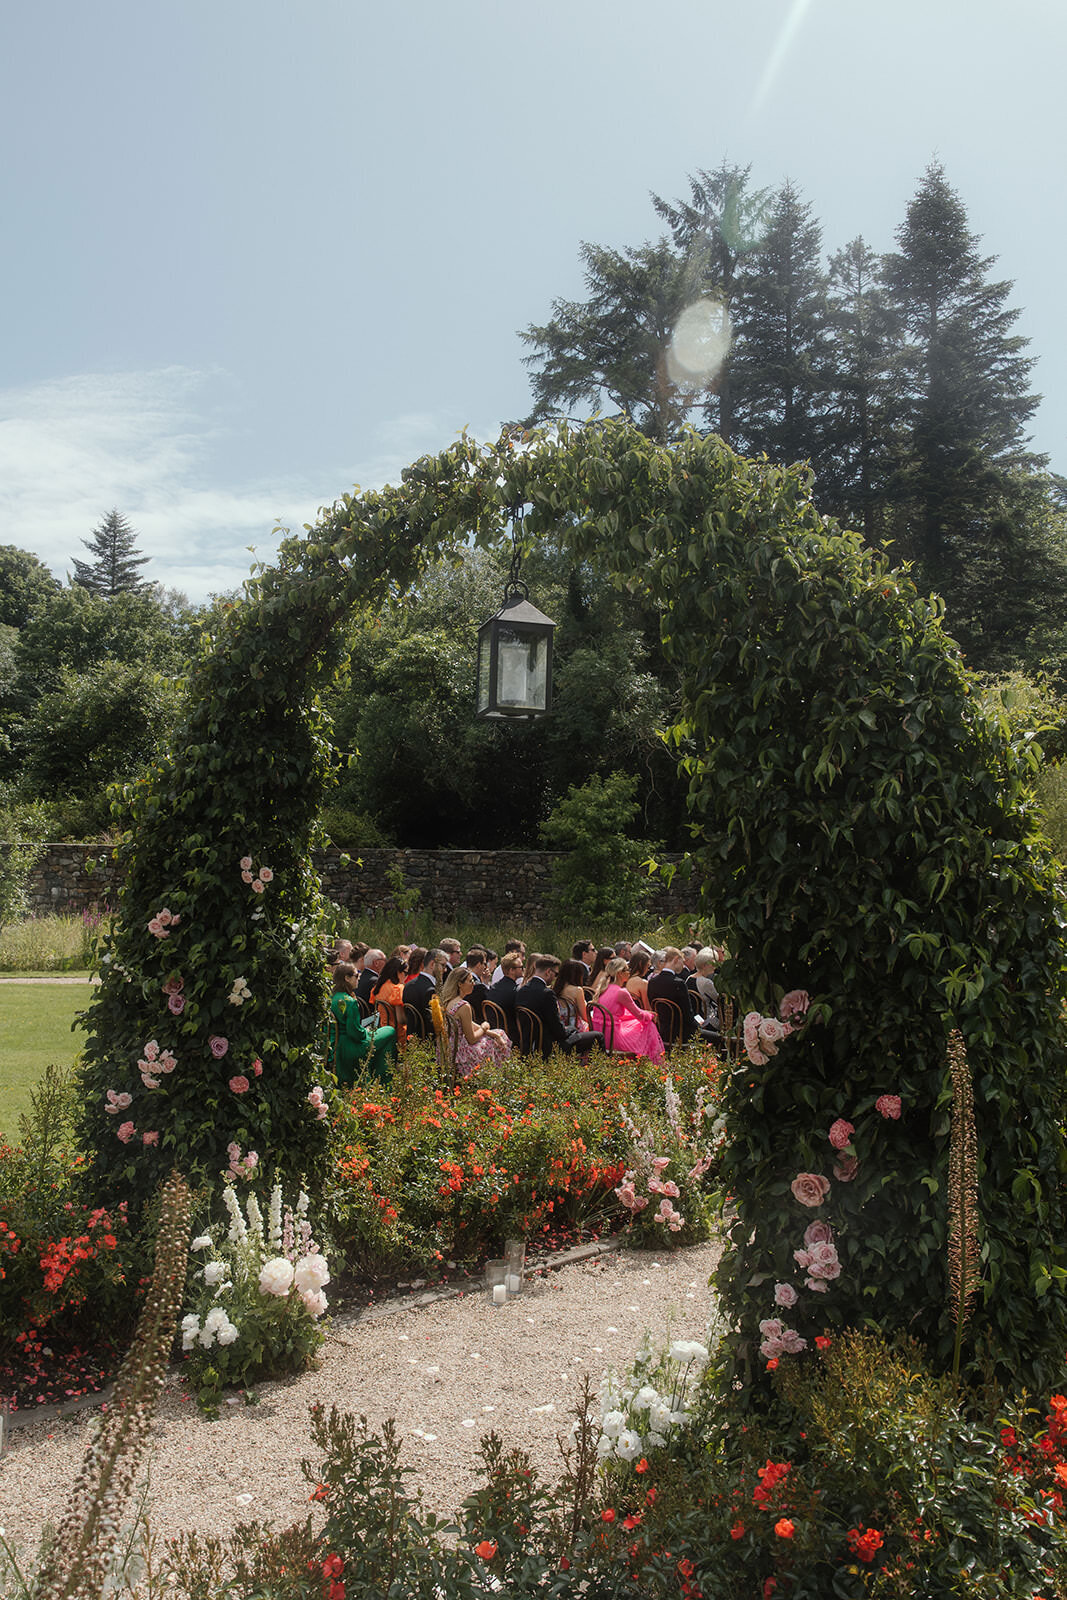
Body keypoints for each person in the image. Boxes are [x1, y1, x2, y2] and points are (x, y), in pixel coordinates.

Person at [516, 955, 604, 1058]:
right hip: (549, 1046)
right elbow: (558, 1031)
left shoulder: (521, 990)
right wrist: (571, 1029)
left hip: (528, 1044)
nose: (555, 978)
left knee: (573, 1030)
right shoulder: (546, 993)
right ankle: (598, 1068)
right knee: (598, 1036)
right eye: (555, 974)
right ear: (548, 972)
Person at [329, 963, 396, 1086]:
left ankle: (377, 1079)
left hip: (334, 1045)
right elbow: (355, 1034)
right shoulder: (349, 1001)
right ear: (347, 978)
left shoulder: (331, 997)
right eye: (356, 975)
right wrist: (367, 1031)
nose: (359, 978)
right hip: (350, 1046)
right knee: (390, 1031)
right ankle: (383, 1081)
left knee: (383, 1037)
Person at [441, 965, 511, 1077]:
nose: (473, 983)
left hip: (449, 1048)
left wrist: (492, 1033)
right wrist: (484, 1027)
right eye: (470, 981)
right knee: (498, 1040)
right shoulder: (463, 1006)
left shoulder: (448, 1001)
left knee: (498, 1034)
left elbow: (468, 1024)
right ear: (460, 984)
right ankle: (498, 1078)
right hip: (460, 1053)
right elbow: (472, 1039)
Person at [595, 958, 665, 1061]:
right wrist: (651, 1015)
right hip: (614, 1038)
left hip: (601, 1034)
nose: (629, 972)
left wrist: (646, 1014)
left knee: (641, 1022)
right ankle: (655, 1062)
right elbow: (640, 1015)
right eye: (627, 969)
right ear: (620, 973)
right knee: (649, 1025)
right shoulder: (621, 992)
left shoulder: (604, 989)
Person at [647, 947, 718, 1044]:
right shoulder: (678, 984)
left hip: (662, 1031)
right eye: (682, 962)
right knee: (719, 1038)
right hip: (682, 1033)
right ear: (676, 959)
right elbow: (688, 1015)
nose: (683, 965)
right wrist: (700, 1026)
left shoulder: (652, 982)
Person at [370, 955, 408, 1051]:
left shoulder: (378, 987)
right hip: (397, 1034)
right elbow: (401, 1020)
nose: (406, 976)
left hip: (382, 1030)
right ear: (398, 972)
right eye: (406, 973)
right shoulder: (398, 989)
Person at [405, 947, 446, 1028]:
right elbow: (435, 1025)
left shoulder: (408, 985)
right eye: (443, 965)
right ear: (432, 964)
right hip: (427, 1039)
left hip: (410, 1036)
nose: (445, 970)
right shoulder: (431, 990)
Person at [488, 950, 524, 1030]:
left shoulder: (493, 988)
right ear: (511, 970)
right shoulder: (516, 992)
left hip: (494, 1030)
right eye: (521, 967)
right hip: (511, 1035)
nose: (523, 969)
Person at [553, 959, 591, 1030]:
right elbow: (584, 1016)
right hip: (574, 1027)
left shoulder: (555, 988)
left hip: (559, 1026)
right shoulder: (577, 990)